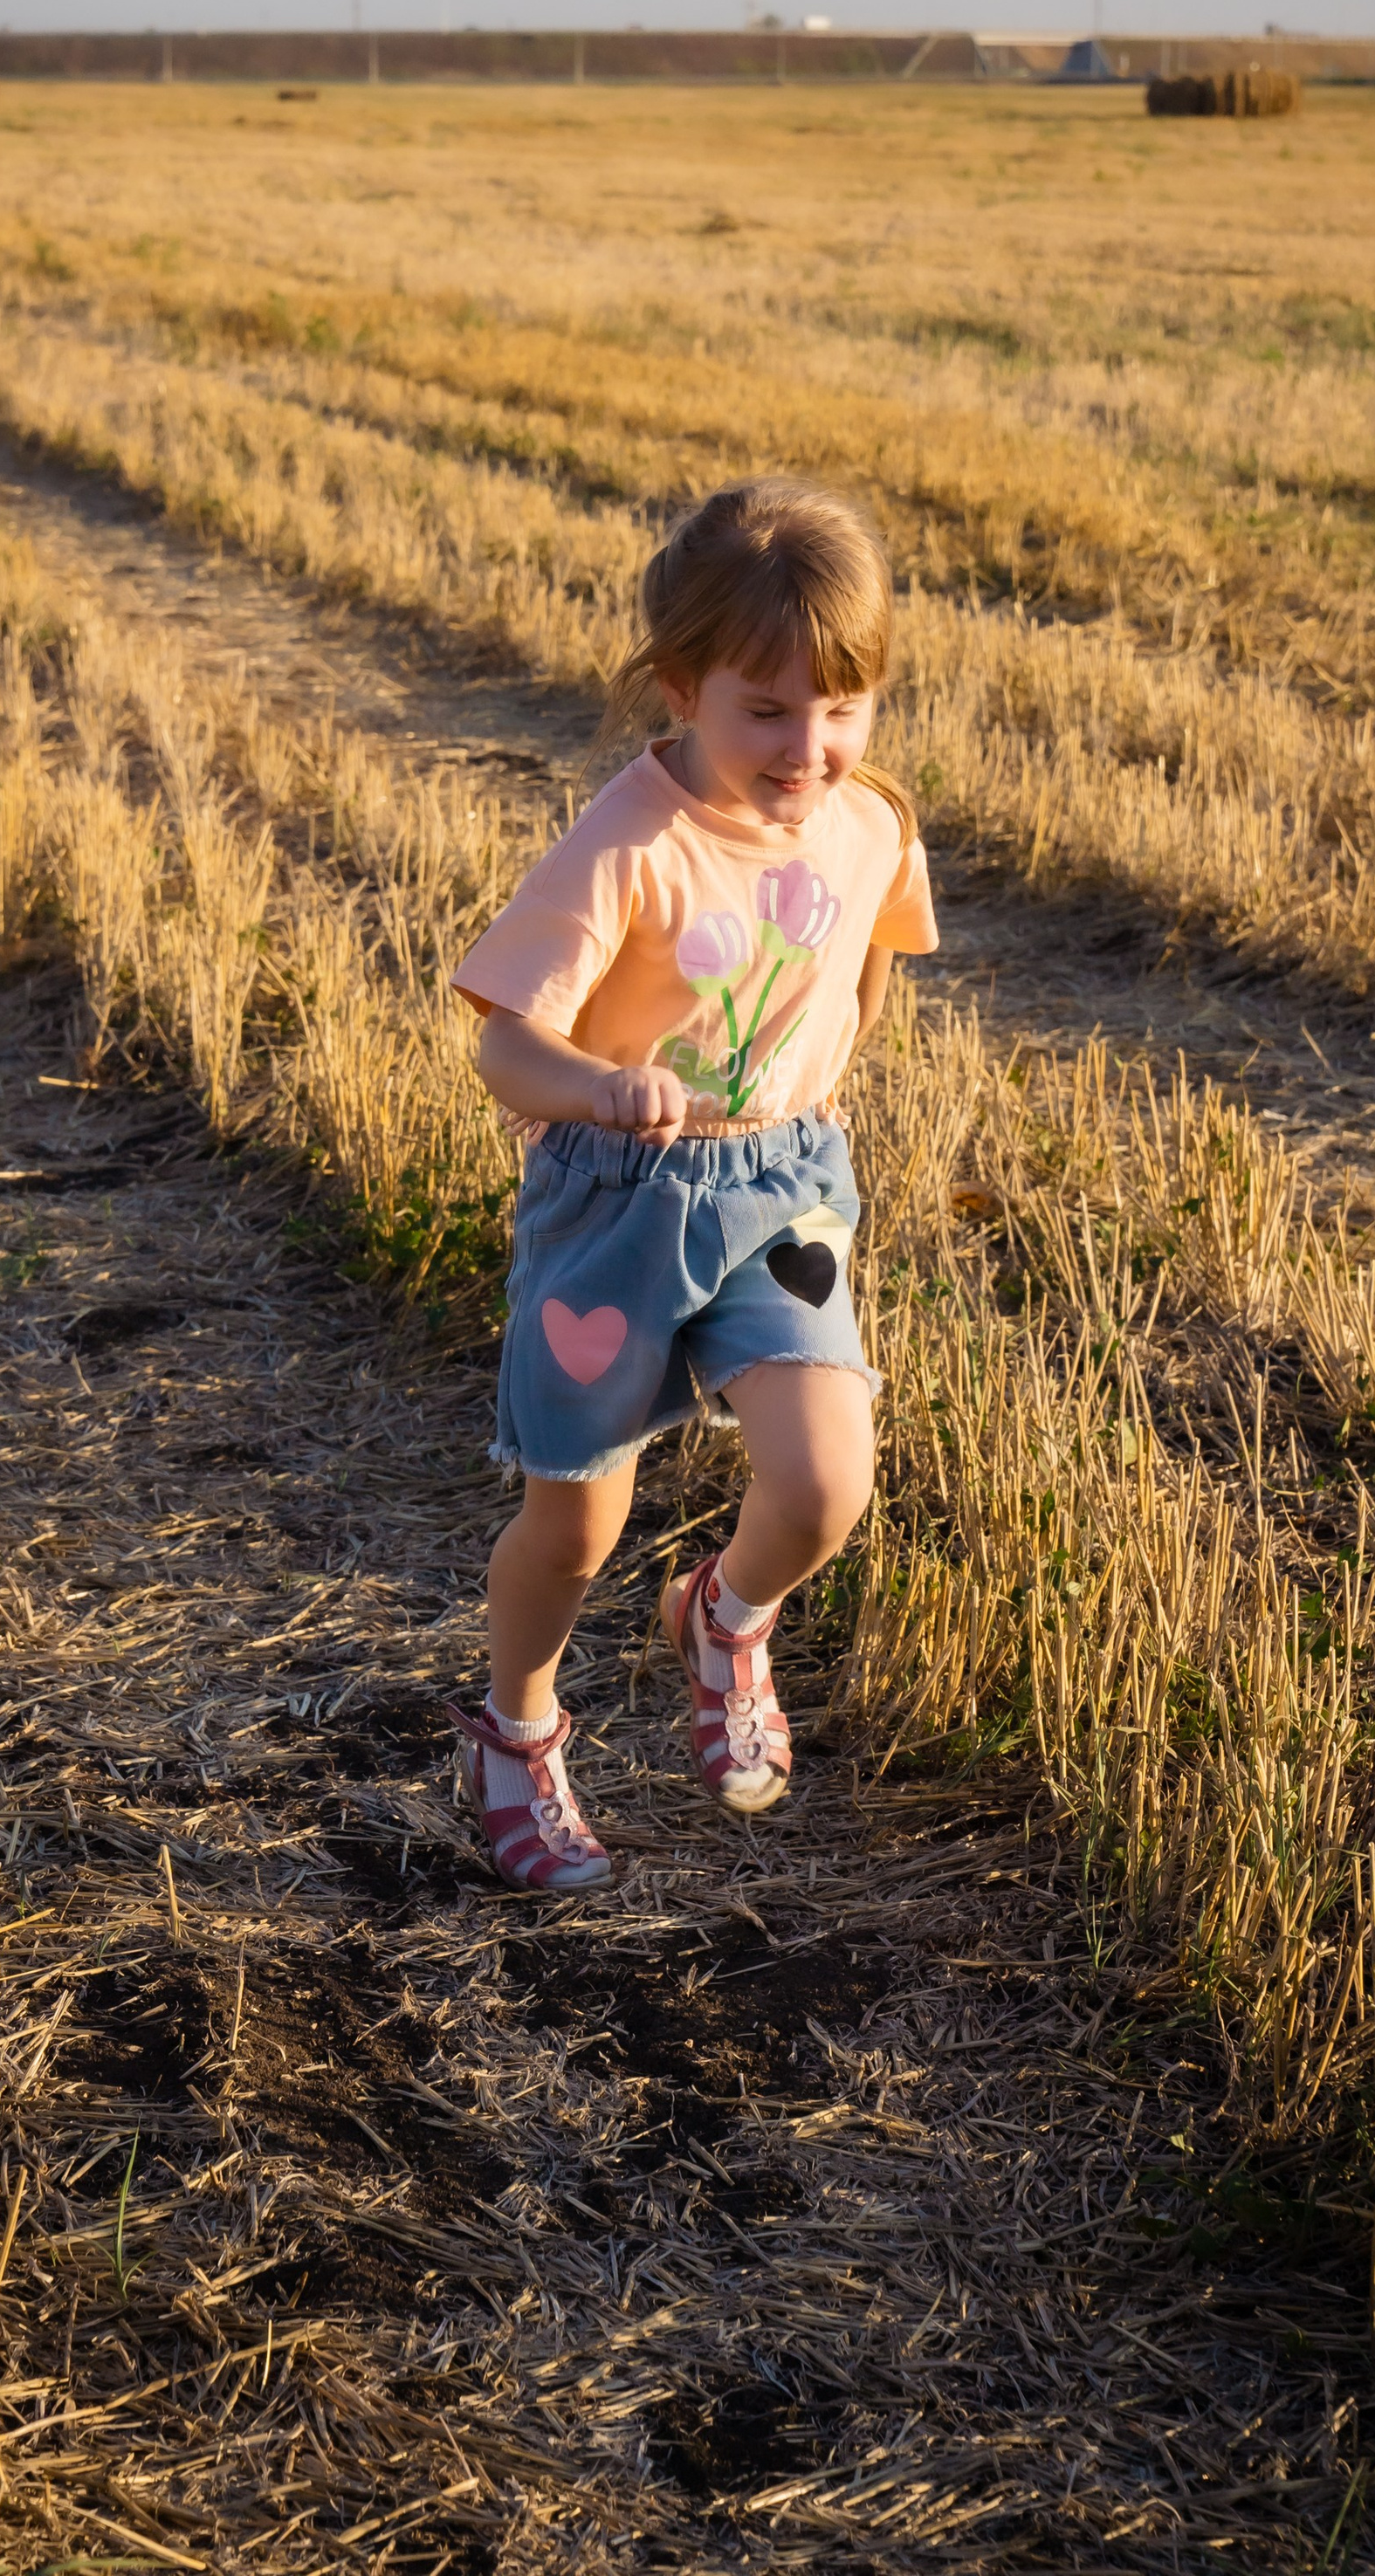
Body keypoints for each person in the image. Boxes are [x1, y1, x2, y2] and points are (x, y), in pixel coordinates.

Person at [446, 477, 938, 1891]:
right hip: (617, 1202)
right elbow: (505, 1042)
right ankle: (517, 1732)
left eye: (843, 709)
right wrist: (599, 1087)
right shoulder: (632, 839)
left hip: (782, 1189)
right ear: (682, 688)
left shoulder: (868, 823)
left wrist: (811, 1102)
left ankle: (725, 1620)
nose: (812, 748)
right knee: (576, 1523)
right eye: (767, 712)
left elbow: (864, 964)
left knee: (826, 1482)